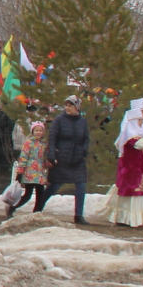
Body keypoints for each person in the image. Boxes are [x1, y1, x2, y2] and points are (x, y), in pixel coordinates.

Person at [98, 98, 143, 227]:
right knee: (133, 193)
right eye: (141, 116)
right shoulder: (130, 132)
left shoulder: (141, 131)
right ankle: (126, 218)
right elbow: (139, 144)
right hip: (132, 168)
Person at [45, 94, 91, 224]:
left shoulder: (82, 122)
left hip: (78, 158)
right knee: (55, 185)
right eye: (66, 105)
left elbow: (86, 138)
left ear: (77, 107)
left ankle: (78, 215)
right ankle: (38, 207)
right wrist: (52, 155)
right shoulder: (59, 120)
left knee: (81, 185)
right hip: (62, 157)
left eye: (71, 105)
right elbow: (52, 138)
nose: (68, 107)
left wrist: (83, 151)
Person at [7, 120, 50, 216]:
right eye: (37, 130)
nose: (39, 132)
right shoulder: (28, 143)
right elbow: (23, 157)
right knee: (28, 195)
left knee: (40, 194)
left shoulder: (44, 144)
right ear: (32, 131)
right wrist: (20, 172)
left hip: (40, 172)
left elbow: (46, 157)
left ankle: (36, 212)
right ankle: (13, 208)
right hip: (29, 172)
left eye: (41, 130)